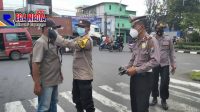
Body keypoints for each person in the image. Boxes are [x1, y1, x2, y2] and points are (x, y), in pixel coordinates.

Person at [55, 20, 95, 112]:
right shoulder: (79, 38)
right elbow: (67, 42)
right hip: (77, 76)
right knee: (77, 100)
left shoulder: (87, 40)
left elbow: (72, 44)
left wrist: (57, 37)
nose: (79, 28)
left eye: (82, 27)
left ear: (88, 29)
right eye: (78, 26)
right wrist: (58, 39)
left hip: (85, 77)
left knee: (87, 103)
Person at [126, 15, 160, 112]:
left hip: (145, 78)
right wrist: (126, 68)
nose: (132, 29)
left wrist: (136, 69)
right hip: (135, 77)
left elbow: (155, 60)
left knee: (141, 107)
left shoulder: (151, 40)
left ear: (141, 26)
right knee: (135, 105)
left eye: (134, 26)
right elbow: (133, 59)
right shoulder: (137, 42)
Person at [32, 18, 63, 112]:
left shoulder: (52, 41)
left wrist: (60, 74)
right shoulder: (40, 42)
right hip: (46, 82)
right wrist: (37, 84)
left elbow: (54, 61)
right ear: (45, 29)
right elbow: (35, 64)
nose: (55, 31)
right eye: (53, 28)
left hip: (54, 80)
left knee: (53, 103)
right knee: (44, 107)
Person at [150, 23, 176, 110]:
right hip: (155, 63)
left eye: (161, 29)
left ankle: (163, 100)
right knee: (153, 82)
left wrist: (173, 63)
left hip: (165, 64)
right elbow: (147, 49)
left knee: (165, 82)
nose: (159, 31)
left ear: (163, 30)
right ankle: (154, 98)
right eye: (158, 29)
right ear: (155, 30)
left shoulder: (168, 38)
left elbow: (172, 52)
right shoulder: (152, 38)